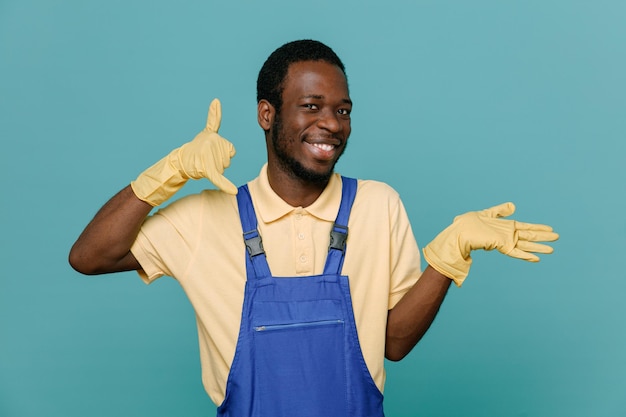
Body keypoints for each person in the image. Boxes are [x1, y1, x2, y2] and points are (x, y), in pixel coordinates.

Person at [69, 39, 558, 416]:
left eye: (342, 110)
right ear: (267, 114)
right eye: (311, 106)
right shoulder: (205, 218)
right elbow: (90, 256)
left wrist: (448, 255)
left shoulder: (377, 205)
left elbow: (394, 343)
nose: (331, 123)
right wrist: (170, 171)